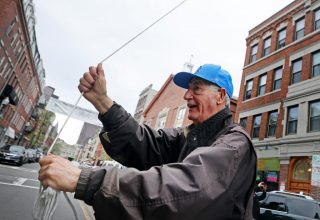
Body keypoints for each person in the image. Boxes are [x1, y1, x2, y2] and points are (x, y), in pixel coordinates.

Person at [38, 63, 257, 219]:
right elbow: (145, 142)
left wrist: (87, 181)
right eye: (188, 89)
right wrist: (103, 102)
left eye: (196, 89)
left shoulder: (234, 146)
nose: (186, 96)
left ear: (220, 96)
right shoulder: (188, 137)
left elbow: (183, 190)